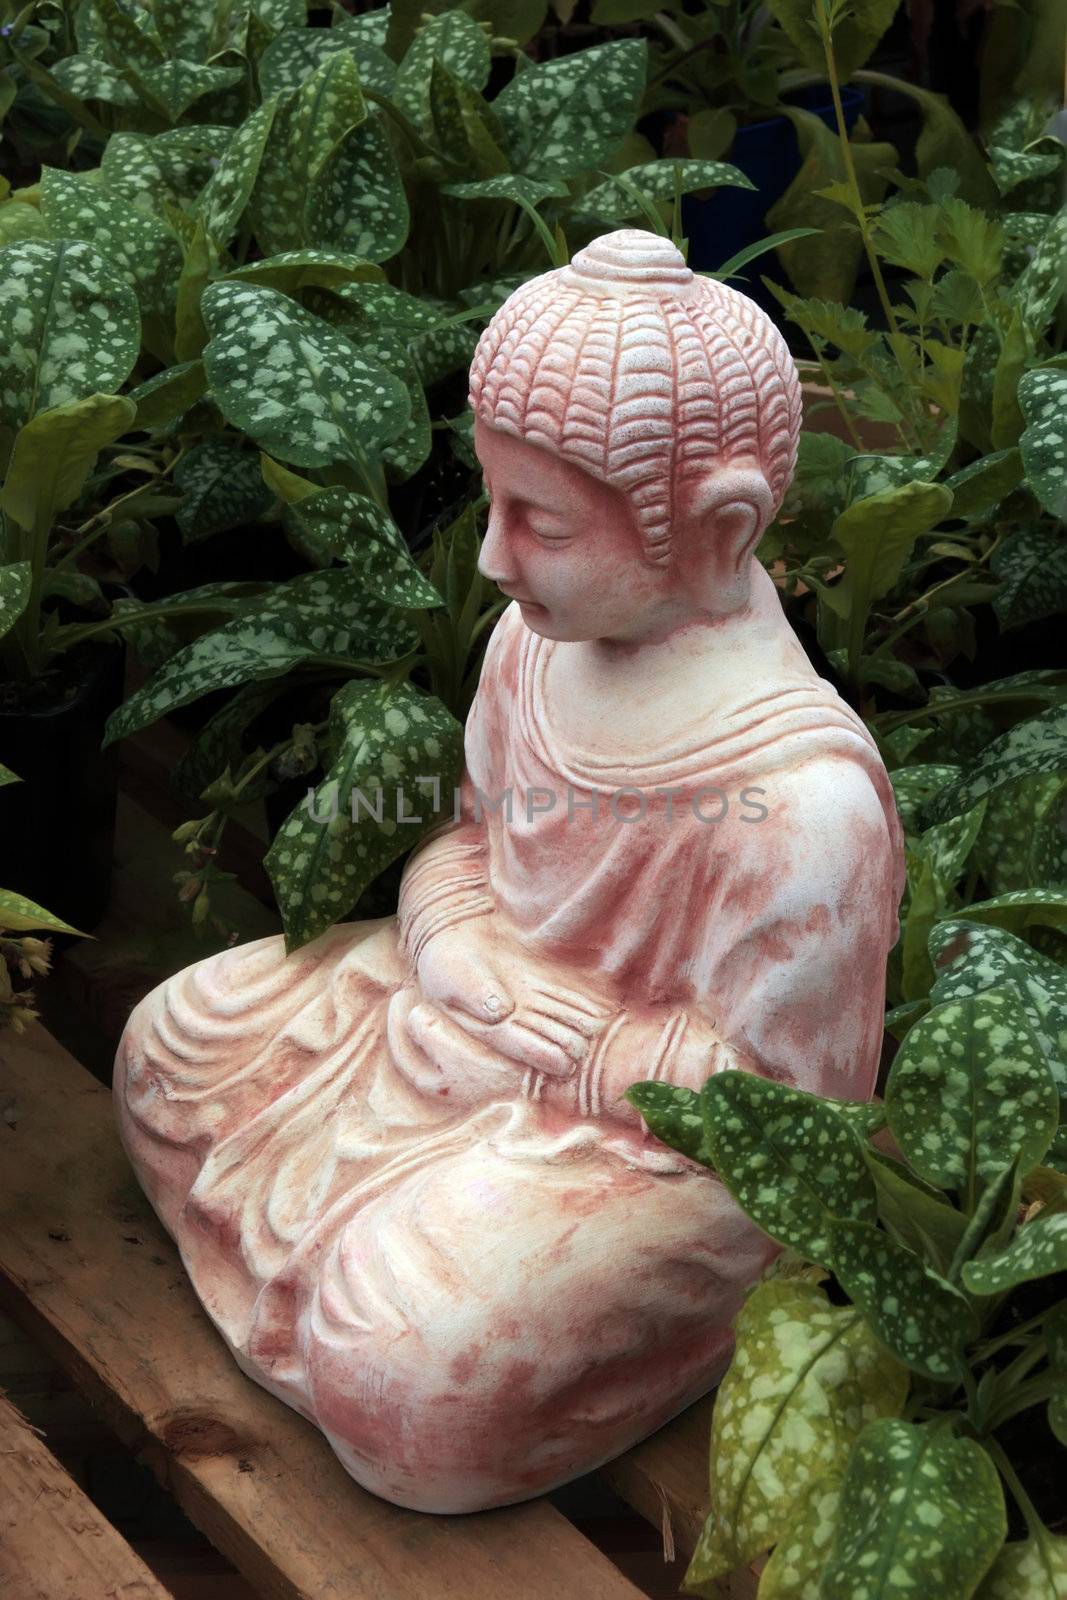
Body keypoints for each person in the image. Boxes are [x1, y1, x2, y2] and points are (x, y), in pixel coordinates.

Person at [114, 230, 904, 1514]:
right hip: (455, 1013)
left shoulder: (801, 802)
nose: (490, 556)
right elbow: (471, 838)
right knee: (166, 1048)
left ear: (716, 529)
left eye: (538, 520)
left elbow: (785, 1123)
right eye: (494, 501)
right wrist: (453, 941)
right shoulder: (534, 643)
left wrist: (582, 1045)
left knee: (408, 1373)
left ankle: (451, 1337)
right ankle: (349, 1279)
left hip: (638, 1149)